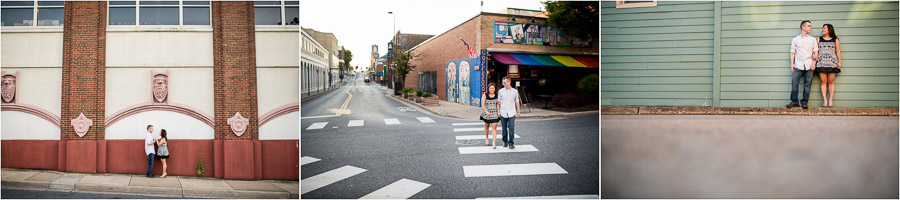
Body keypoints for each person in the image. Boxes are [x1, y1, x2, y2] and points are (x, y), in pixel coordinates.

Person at [787, 20, 819, 109]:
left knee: (807, 84)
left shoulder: (812, 39)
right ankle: (794, 102)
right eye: (808, 26)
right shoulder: (795, 39)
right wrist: (792, 64)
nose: (810, 27)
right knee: (794, 83)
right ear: (803, 27)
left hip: (809, 65)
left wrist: (814, 63)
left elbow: (816, 52)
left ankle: (804, 102)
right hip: (798, 65)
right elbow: (792, 52)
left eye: (810, 26)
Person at [816, 24, 841, 107]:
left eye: (824, 28)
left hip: (832, 63)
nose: (822, 30)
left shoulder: (835, 39)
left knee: (831, 81)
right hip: (821, 62)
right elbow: (815, 51)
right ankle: (825, 100)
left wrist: (839, 62)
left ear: (829, 30)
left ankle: (830, 99)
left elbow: (838, 51)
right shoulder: (819, 39)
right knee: (823, 81)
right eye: (822, 28)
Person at [498, 77, 521, 149]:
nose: (504, 84)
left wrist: (518, 112)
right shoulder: (500, 91)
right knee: (504, 128)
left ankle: (511, 143)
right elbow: (498, 103)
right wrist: (498, 111)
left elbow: (517, 101)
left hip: (511, 112)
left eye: (505, 82)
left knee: (511, 128)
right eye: (503, 82)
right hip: (503, 112)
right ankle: (505, 141)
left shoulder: (514, 91)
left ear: (509, 82)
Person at [480, 83, 501, 149]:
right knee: (487, 126)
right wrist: (486, 112)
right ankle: (487, 138)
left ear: (495, 89)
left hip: (495, 113)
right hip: (487, 113)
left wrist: (498, 112)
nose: (492, 89)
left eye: (493, 88)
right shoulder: (485, 95)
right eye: (490, 88)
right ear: (488, 89)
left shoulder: (497, 95)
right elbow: (483, 105)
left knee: (494, 127)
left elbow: (497, 104)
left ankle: (494, 142)